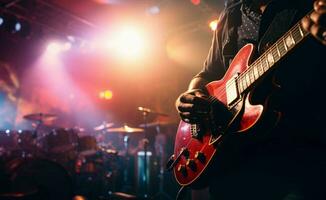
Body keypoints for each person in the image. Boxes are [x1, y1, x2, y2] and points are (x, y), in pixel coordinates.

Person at [175, 0, 326, 199]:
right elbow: (209, 73)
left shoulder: (306, 6)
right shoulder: (231, 13)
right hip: (234, 161)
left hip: (297, 157)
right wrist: (190, 94)